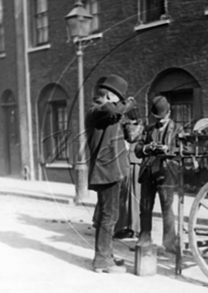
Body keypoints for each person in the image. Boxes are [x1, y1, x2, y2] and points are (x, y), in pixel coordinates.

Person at [85, 74, 136, 274]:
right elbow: (112, 110)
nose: (118, 102)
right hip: (106, 172)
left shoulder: (107, 114)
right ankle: (101, 260)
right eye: (116, 98)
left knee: (110, 215)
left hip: (112, 171)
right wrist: (127, 104)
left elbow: (121, 126)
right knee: (108, 216)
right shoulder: (97, 110)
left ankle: (107, 255)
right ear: (108, 96)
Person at [135, 95, 183, 255]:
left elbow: (183, 151)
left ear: (169, 113)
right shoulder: (148, 129)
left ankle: (169, 243)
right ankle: (144, 238)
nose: (160, 122)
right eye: (158, 119)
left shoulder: (178, 129)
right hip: (148, 172)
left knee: (167, 209)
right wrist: (147, 148)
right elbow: (137, 149)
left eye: (163, 118)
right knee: (145, 208)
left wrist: (168, 151)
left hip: (167, 173)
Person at [113, 101, 144, 240]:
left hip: (129, 162)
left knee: (127, 197)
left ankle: (127, 226)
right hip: (137, 163)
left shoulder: (125, 127)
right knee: (135, 196)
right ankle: (134, 227)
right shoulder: (142, 127)